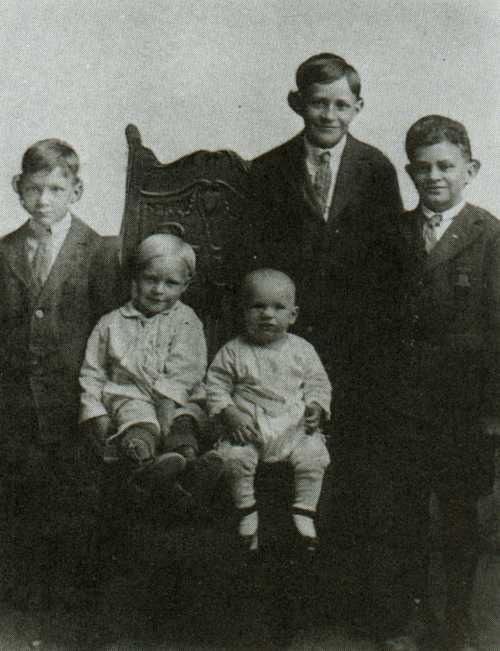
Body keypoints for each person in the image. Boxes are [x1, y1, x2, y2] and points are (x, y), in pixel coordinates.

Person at [364, 115, 500, 651]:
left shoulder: (490, 235)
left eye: (446, 166)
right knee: (404, 516)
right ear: (409, 173)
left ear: (471, 169)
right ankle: (407, 621)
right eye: (423, 168)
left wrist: (493, 411)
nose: (435, 176)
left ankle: (457, 625)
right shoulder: (392, 234)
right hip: (402, 404)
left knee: (460, 518)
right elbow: (376, 321)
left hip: (462, 407)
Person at [0, 138, 121, 608]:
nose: (43, 200)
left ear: (77, 191)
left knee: (75, 493)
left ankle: (76, 597)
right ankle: (27, 595)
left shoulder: (98, 251)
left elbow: (110, 328)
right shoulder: (5, 250)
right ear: (18, 188)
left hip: (75, 398)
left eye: (55, 189)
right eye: (34, 189)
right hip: (16, 401)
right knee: (23, 490)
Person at [249, 52, 402, 379]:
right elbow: (254, 252)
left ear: (357, 107)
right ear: (297, 103)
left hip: (358, 330)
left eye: (341, 105)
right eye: (318, 103)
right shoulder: (267, 169)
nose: (329, 116)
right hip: (288, 330)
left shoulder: (377, 170)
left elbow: (392, 257)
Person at [79, 233, 223, 507]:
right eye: (151, 279)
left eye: (171, 283)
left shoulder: (186, 321)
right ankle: (145, 468)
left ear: (185, 285)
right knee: (139, 428)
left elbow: (187, 367)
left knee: (184, 423)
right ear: (135, 278)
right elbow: (92, 372)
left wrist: (167, 401)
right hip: (130, 396)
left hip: (178, 398)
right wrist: (94, 411)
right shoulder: (111, 323)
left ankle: (189, 468)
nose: (159, 290)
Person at [206, 269, 331, 553]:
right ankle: (246, 510)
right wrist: (230, 413)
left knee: (315, 455)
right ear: (243, 312)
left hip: (293, 428)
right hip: (248, 429)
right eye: (257, 306)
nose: (267, 315)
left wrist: (316, 405)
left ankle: (304, 510)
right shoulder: (233, 351)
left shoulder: (302, 350)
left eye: (278, 308)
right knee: (234, 459)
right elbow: (215, 386)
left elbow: (318, 383)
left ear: (293, 315)